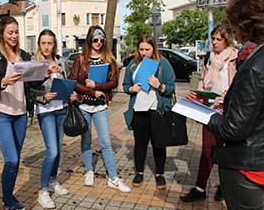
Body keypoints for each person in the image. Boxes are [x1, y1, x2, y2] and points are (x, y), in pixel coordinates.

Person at [206, 0, 264, 209]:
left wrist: (208, 117)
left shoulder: (254, 66)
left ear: (243, 25)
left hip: (246, 165)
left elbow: (233, 129)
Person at [0, 16, 45, 210]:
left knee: (14, 161)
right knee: (12, 159)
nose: (14, 35)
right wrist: (3, 82)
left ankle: (8, 197)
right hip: (1, 113)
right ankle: (8, 200)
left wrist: (44, 73)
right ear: (2, 33)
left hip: (21, 114)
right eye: (10, 32)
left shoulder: (24, 55)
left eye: (16, 32)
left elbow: (32, 84)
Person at [68, 25, 131, 193]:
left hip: (100, 106)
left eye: (102, 40)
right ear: (89, 40)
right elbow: (73, 81)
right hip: (83, 105)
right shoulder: (80, 60)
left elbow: (114, 82)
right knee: (86, 140)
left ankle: (113, 177)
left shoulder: (108, 59)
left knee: (105, 142)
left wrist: (97, 86)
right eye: (95, 40)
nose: (99, 43)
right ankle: (89, 170)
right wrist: (92, 91)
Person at [180, 25, 237, 202]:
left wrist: (226, 96)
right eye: (213, 39)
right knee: (207, 150)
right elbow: (203, 82)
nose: (215, 42)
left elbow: (239, 85)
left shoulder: (235, 59)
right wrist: (198, 94)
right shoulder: (208, 59)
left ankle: (223, 186)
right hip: (210, 110)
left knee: (225, 151)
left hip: (228, 112)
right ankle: (200, 188)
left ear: (227, 39)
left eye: (219, 39)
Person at [122, 35, 176, 190]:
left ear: (154, 48)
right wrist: (131, 89)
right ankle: (139, 172)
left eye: (147, 49)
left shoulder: (163, 64)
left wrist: (160, 86)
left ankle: (160, 174)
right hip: (139, 109)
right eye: (141, 49)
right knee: (140, 143)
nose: (144, 52)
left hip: (157, 110)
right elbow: (126, 85)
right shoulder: (133, 64)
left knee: (159, 143)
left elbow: (171, 86)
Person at [31, 29, 76, 208]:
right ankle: (42, 191)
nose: (47, 46)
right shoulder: (35, 64)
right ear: (39, 44)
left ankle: (52, 181)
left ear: (54, 44)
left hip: (61, 109)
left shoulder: (60, 61)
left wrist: (70, 95)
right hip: (45, 111)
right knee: (52, 151)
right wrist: (44, 96)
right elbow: (31, 90)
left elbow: (64, 83)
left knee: (58, 149)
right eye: (44, 43)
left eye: (50, 43)